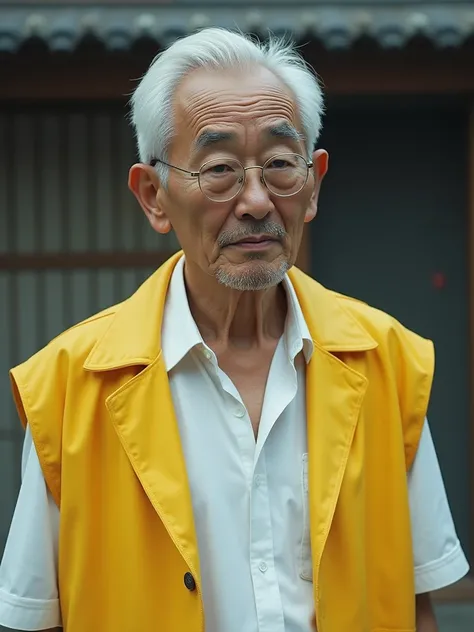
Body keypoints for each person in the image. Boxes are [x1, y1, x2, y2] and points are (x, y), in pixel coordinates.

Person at [0, 27, 469, 632]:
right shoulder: (70, 390)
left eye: (278, 164)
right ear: (154, 196)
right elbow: (39, 619)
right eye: (218, 168)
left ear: (314, 183)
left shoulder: (386, 364)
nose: (255, 201)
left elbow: (414, 607)